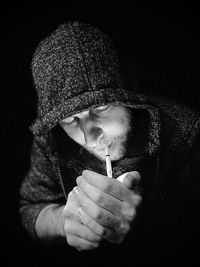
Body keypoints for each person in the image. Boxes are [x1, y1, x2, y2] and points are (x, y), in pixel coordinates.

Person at [19, 21, 200, 266]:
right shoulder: (52, 140)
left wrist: (147, 217)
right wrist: (63, 221)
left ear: (130, 100)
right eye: (71, 120)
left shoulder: (186, 131)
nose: (91, 138)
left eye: (101, 108)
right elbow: (29, 208)